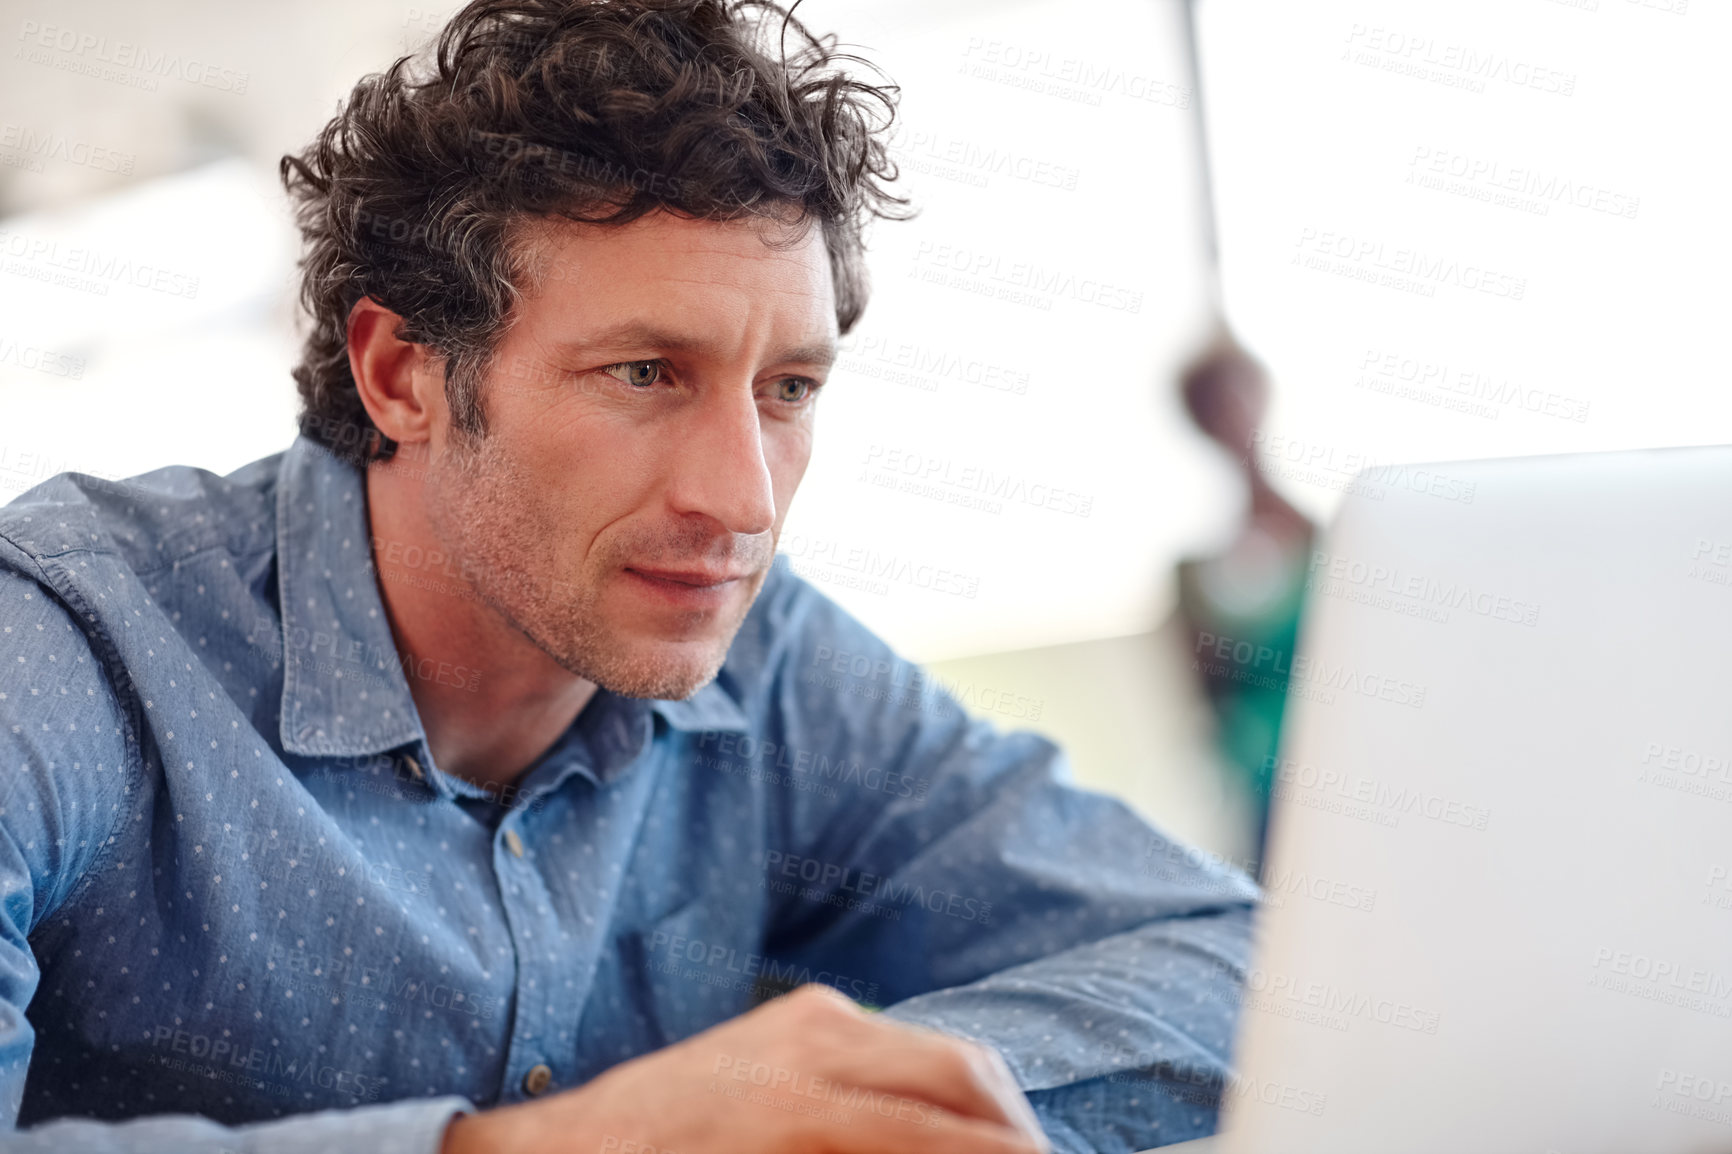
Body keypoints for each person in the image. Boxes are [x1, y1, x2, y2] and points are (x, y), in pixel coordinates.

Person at [0, 2, 1258, 1151]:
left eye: (788, 390)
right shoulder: (59, 650)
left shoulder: (773, 671)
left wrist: (883, 1100)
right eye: (644, 374)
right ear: (402, 373)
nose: (743, 500)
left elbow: (1237, 959)